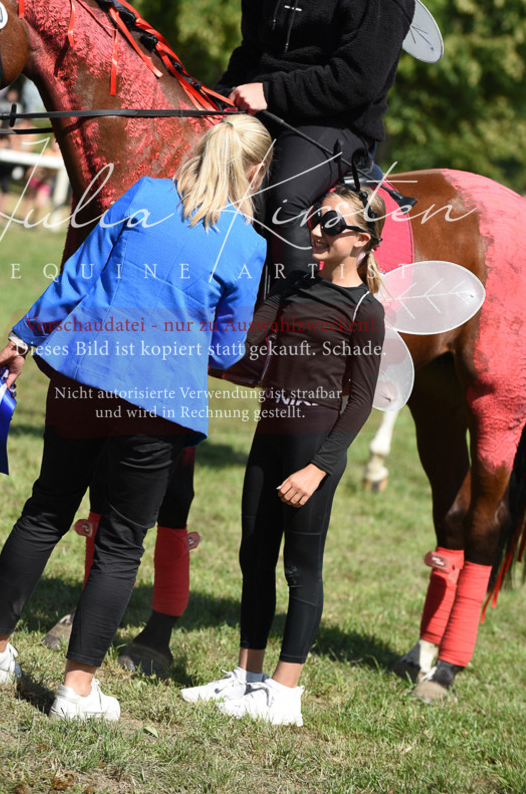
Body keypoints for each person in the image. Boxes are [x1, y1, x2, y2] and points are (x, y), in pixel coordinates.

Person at [0, 115, 273, 722]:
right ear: (255, 171)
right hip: (158, 403)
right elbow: (228, 351)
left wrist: (23, 338)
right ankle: (78, 690)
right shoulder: (250, 244)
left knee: (46, 508)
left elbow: (76, 275)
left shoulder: (145, 194)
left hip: (81, 373)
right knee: (121, 544)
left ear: (201, 149)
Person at [181, 184, 385, 725]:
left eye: (331, 223)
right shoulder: (291, 285)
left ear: (361, 240)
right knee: (254, 556)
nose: (316, 229)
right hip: (268, 439)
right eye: (316, 218)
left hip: (314, 451)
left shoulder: (366, 310)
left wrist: (319, 468)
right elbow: (246, 346)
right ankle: (247, 680)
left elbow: (360, 401)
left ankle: (284, 693)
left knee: (301, 569)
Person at [217, 0, 414, 278]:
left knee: (285, 201)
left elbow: (356, 80)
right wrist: (213, 93)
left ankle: (296, 320)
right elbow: (252, 51)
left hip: (338, 123)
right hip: (268, 107)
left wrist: (269, 91)